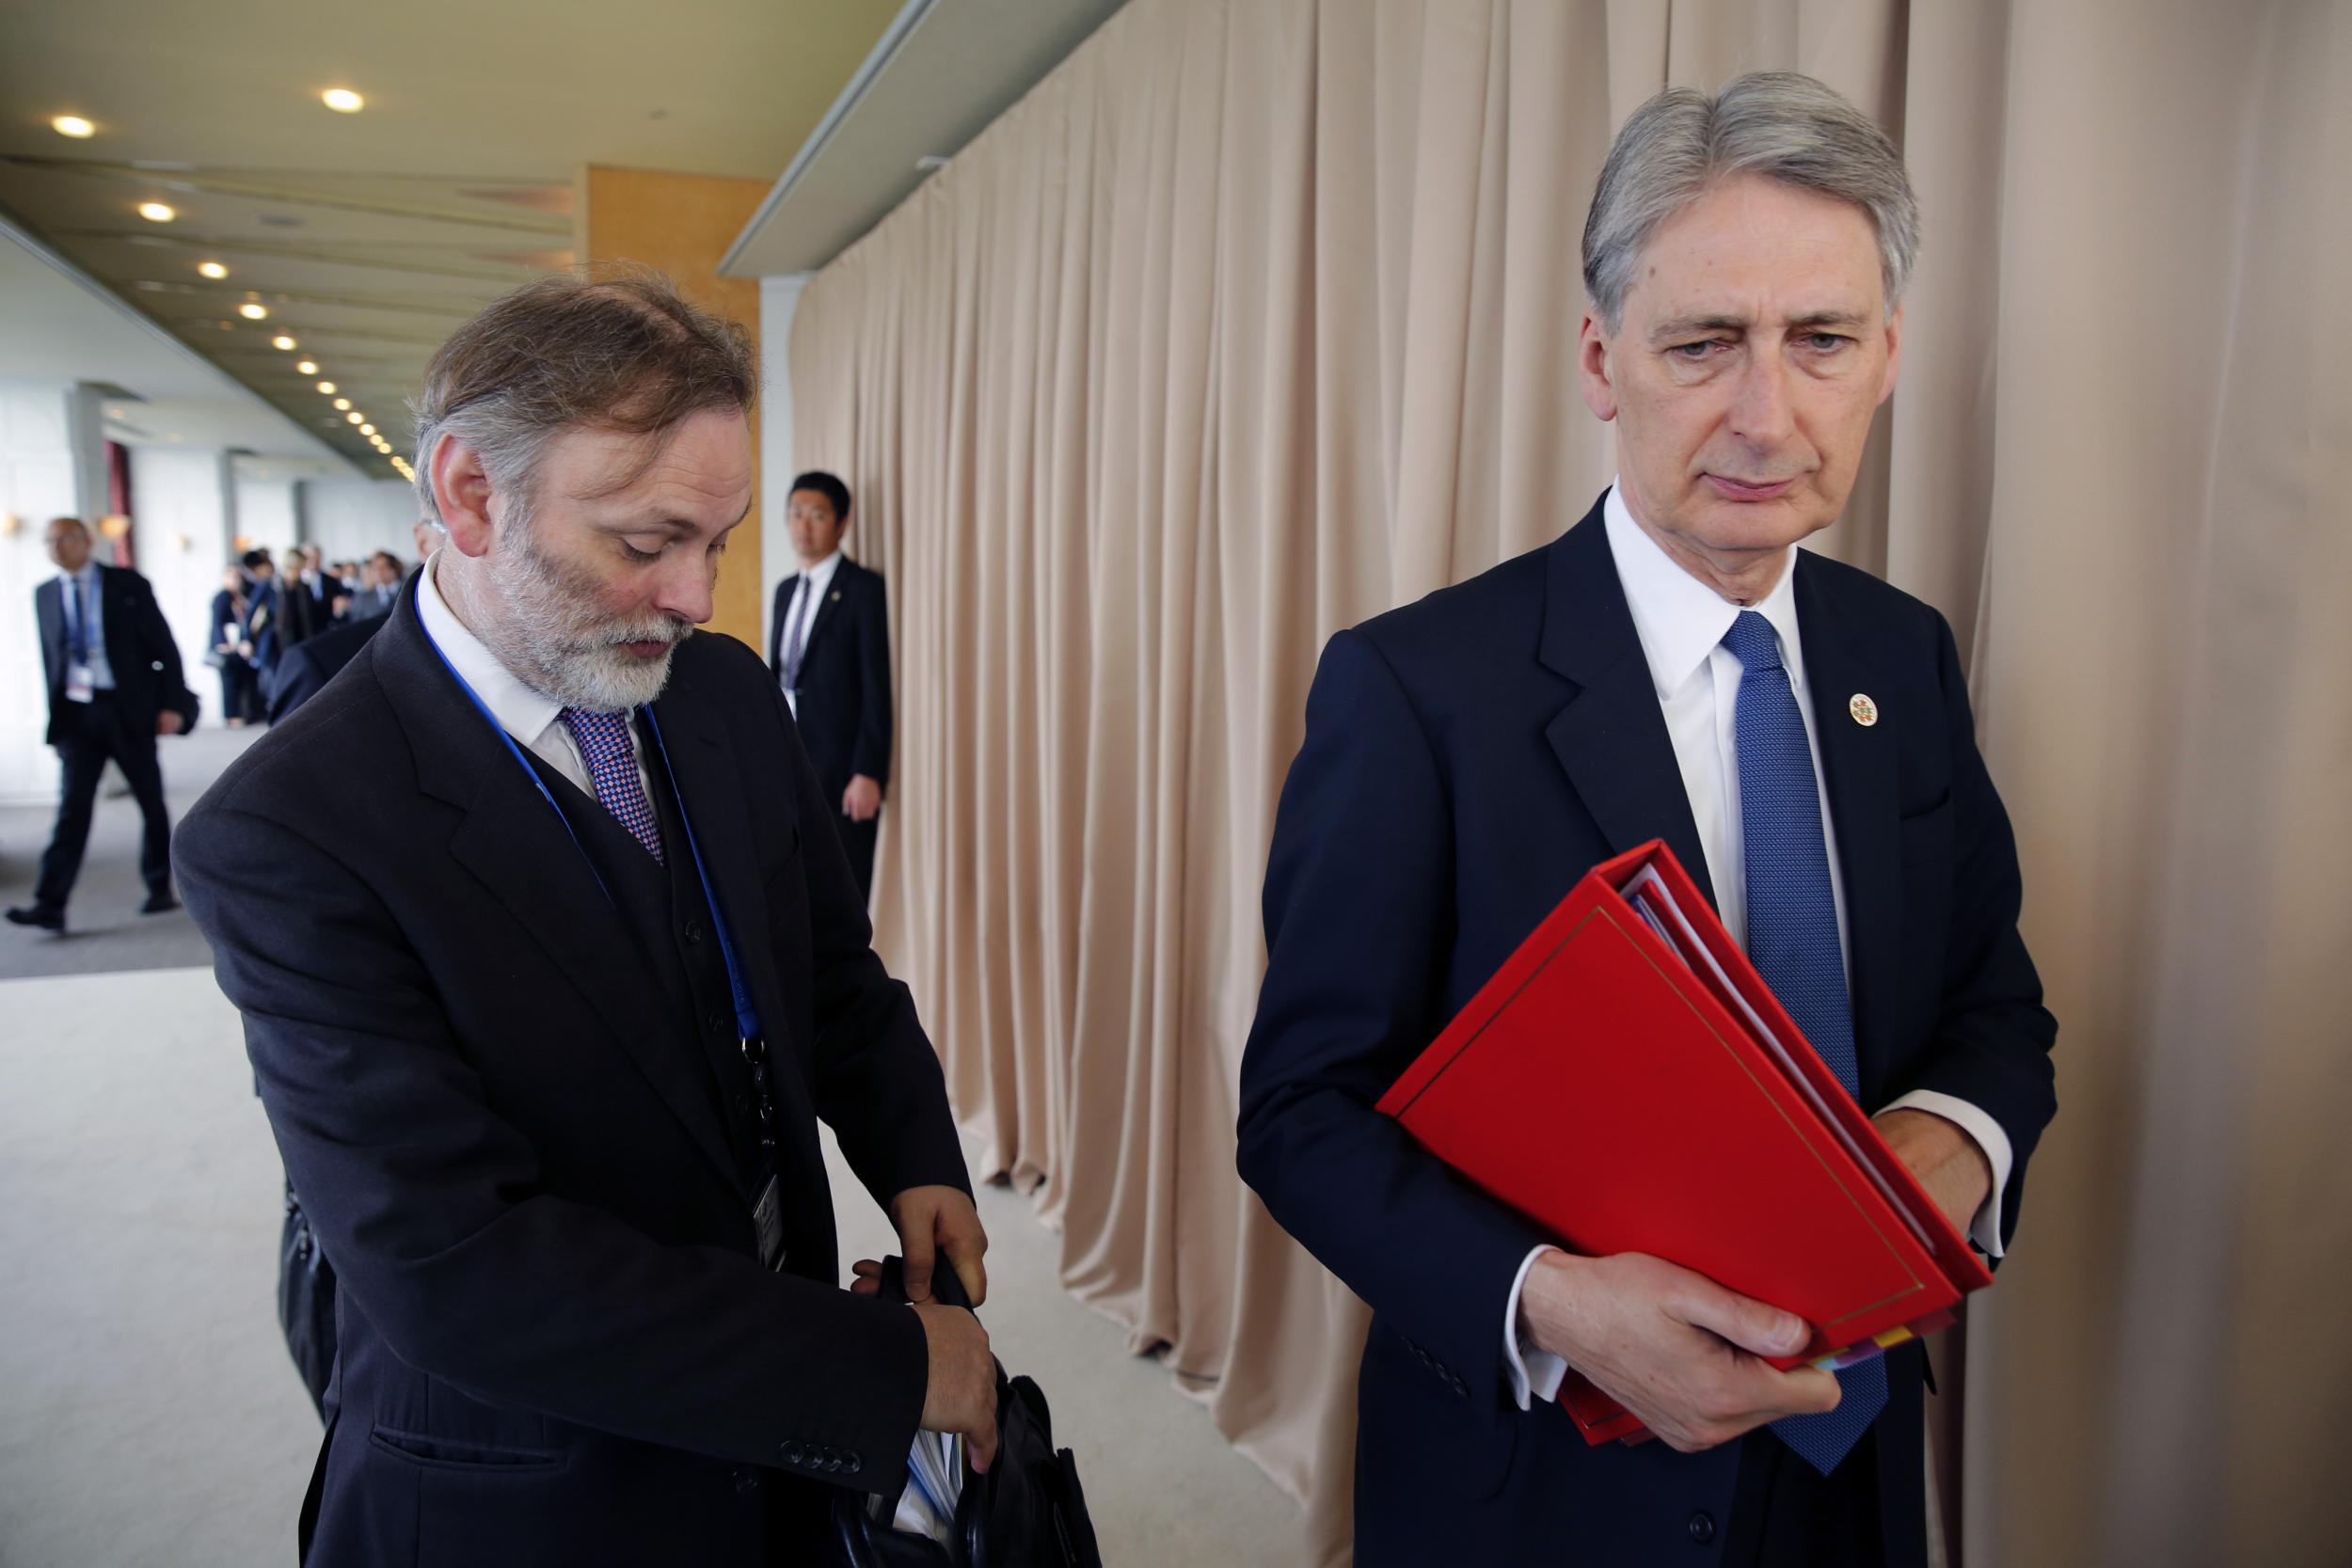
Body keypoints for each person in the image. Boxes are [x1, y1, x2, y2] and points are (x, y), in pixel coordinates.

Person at [1236, 72, 2058, 1568]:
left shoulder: (1903, 655)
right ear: (1603, 360)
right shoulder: (1416, 687)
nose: (1767, 412)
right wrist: (1552, 1300)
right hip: (1541, 1481)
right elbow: (1299, 1112)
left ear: (1888, 357)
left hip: (1856, 1451)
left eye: (1821, 341)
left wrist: (1944, 1149)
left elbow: (1998, 1008)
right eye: (1704, 344)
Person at [175, 269, 1000, 1567]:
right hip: (531, 1494)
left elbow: (828, 971)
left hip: (777, 1451)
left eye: (719, 542)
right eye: (643, 541)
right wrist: (877, 1369)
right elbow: (459, 1265)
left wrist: (916, 1144)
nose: (695, 596)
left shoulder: (721, 692)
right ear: (466, 493)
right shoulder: (286, 831)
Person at [7, 516, 199, 932]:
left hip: (126, 709)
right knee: (72, 808)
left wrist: (172, 703)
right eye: (48, 542)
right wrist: (56, 724)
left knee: (149, 799)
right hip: (77, 715)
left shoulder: (126, 584)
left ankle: (157, 887)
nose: (54, 548)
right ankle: (50, 903)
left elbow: (164, 647)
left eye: (62, 540)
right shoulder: (44, 595)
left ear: (86, 541)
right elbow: (51, 662)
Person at [765, 471, 893, 903]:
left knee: (845, 889)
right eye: (796, 514)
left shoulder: (863, 590)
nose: (803, 525)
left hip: (841, 766)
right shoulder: (785, 591)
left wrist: (868, 772)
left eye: (817, 515)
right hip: (788, 756)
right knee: (795, 883)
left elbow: (878, 686)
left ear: (841, 523)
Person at [265, 527, 435, 722]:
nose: (378, 572)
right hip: (311, 651)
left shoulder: (413, 592)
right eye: (374, 568)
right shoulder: (361, 597)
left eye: (383, 567)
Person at [209, 562, 261, 727]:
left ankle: (247, 712)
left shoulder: (242, 596)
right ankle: (232, 715)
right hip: (227, 646)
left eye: (239, 576)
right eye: (233, 576)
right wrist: (222, 642)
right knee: (229, 682)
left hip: (240, 644)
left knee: (244, 679)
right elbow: (217, 622)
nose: (237, 580)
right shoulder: (222, 597)